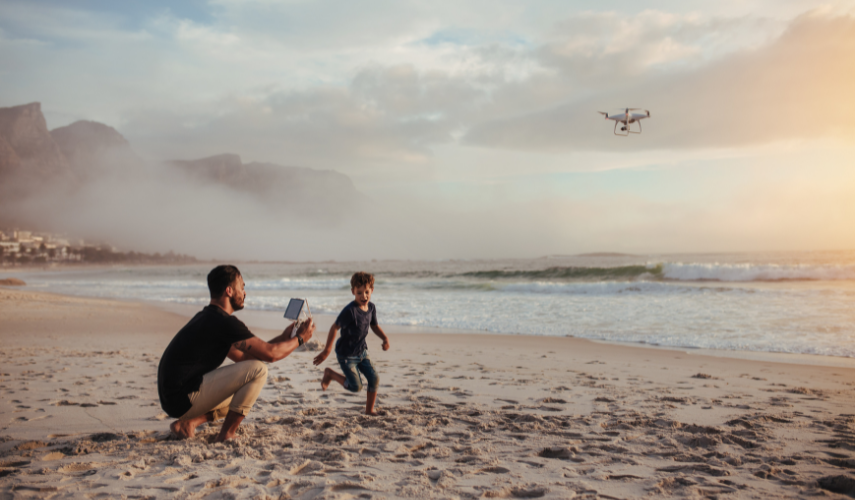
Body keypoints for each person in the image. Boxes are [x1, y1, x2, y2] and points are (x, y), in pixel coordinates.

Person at [157, 265, 315, 442]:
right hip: (182, 398)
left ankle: (188, 423)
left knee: (244, 389)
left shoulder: (208, 317)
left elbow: (246, 358)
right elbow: (270, 355)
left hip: (172, 398)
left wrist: (284, 338)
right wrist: (300, 339)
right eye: (242, 287)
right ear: (229, 291)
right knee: (259, 371)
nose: (245, 293)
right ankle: (227, 434)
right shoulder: (225, 323)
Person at [313, 271, 390, 415]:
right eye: (359, 292)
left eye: (366, 292)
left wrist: (385, 338)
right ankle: (330, 374)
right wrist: (326, 350)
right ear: (353, 291)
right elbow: (335, 327)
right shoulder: (350, 311)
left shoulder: (371, 308)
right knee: (356, 387)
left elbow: (374, 326)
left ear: (372, 290)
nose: (363, 296)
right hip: (346, 354)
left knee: (374, 378)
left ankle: (369, 410)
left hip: (362, 351)